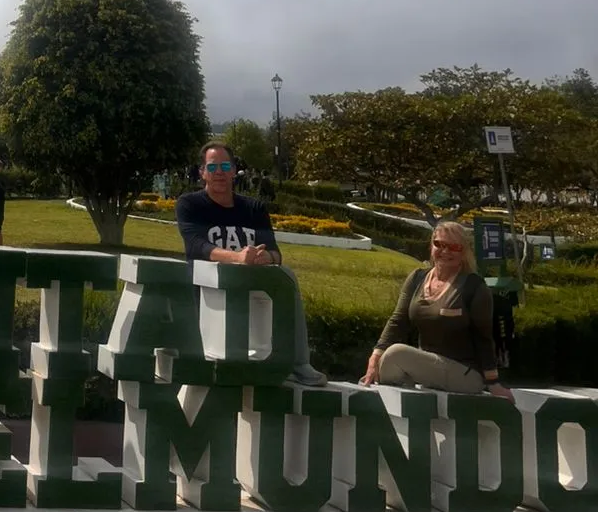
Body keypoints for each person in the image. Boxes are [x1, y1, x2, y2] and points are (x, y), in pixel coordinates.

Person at [175, 143, 326, 387]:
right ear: (202, 172)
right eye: (212, 167)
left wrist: (267, 259)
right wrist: (237, 258)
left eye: (225, 166)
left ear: (234, 171)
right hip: (210, 290)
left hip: (252, 288)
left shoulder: (254, 209)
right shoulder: (190, 205)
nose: (219, 172)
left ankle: (298, 363)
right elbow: (196, 246)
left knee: (285, 276)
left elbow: (276, 252)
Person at [360, 220, 513, 398]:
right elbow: (398, 320)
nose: (445, 251)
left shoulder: (474, 287)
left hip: (465, 374)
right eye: (439, 244)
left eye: (454, 247)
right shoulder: (417, 278)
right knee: (385, 362)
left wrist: (493, 383)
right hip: (431, 369)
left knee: (396, 354)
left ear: (464, 252)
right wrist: (375, 356)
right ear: (431, 245)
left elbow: (483, 337)